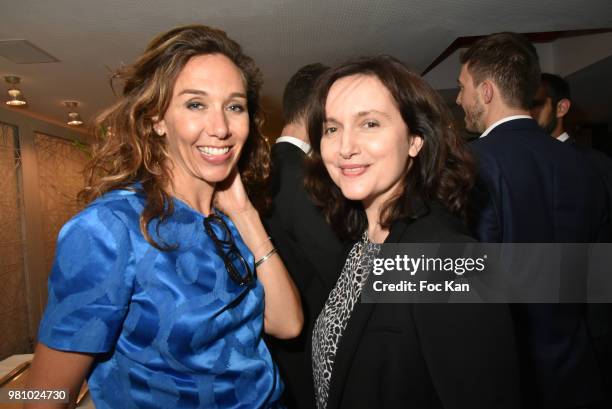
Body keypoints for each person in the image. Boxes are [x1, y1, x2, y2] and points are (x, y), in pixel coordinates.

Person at [25, 24, 302, 409]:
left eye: (234, 106)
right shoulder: (111, 229)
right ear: (157, 118)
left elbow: (287, 324)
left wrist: (244, 213)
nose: (221, 128)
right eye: (195, 104)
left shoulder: (228, 219)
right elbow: (41, 397)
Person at [305, 55, 521, 409]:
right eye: (332, 128)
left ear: (415, 141)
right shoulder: (364, 242)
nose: (345, 147)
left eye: (370, 124)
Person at [456, 32, 608, 408]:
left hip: (510, 372)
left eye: (463, 88)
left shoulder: (472, 164)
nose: (459, 99)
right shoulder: (589, 166)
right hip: (578, 365)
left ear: (486, 91)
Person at [531, 72, 612, 407]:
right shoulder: (523, 161)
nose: (528, 113)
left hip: (588, 320)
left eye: (535, 105)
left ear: (561, 107)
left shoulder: (596, 166)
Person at [265, 63, 343, 409]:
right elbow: (342, 272)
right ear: (317, 113)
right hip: (305, 341)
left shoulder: (265, 167)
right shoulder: (298, 175)